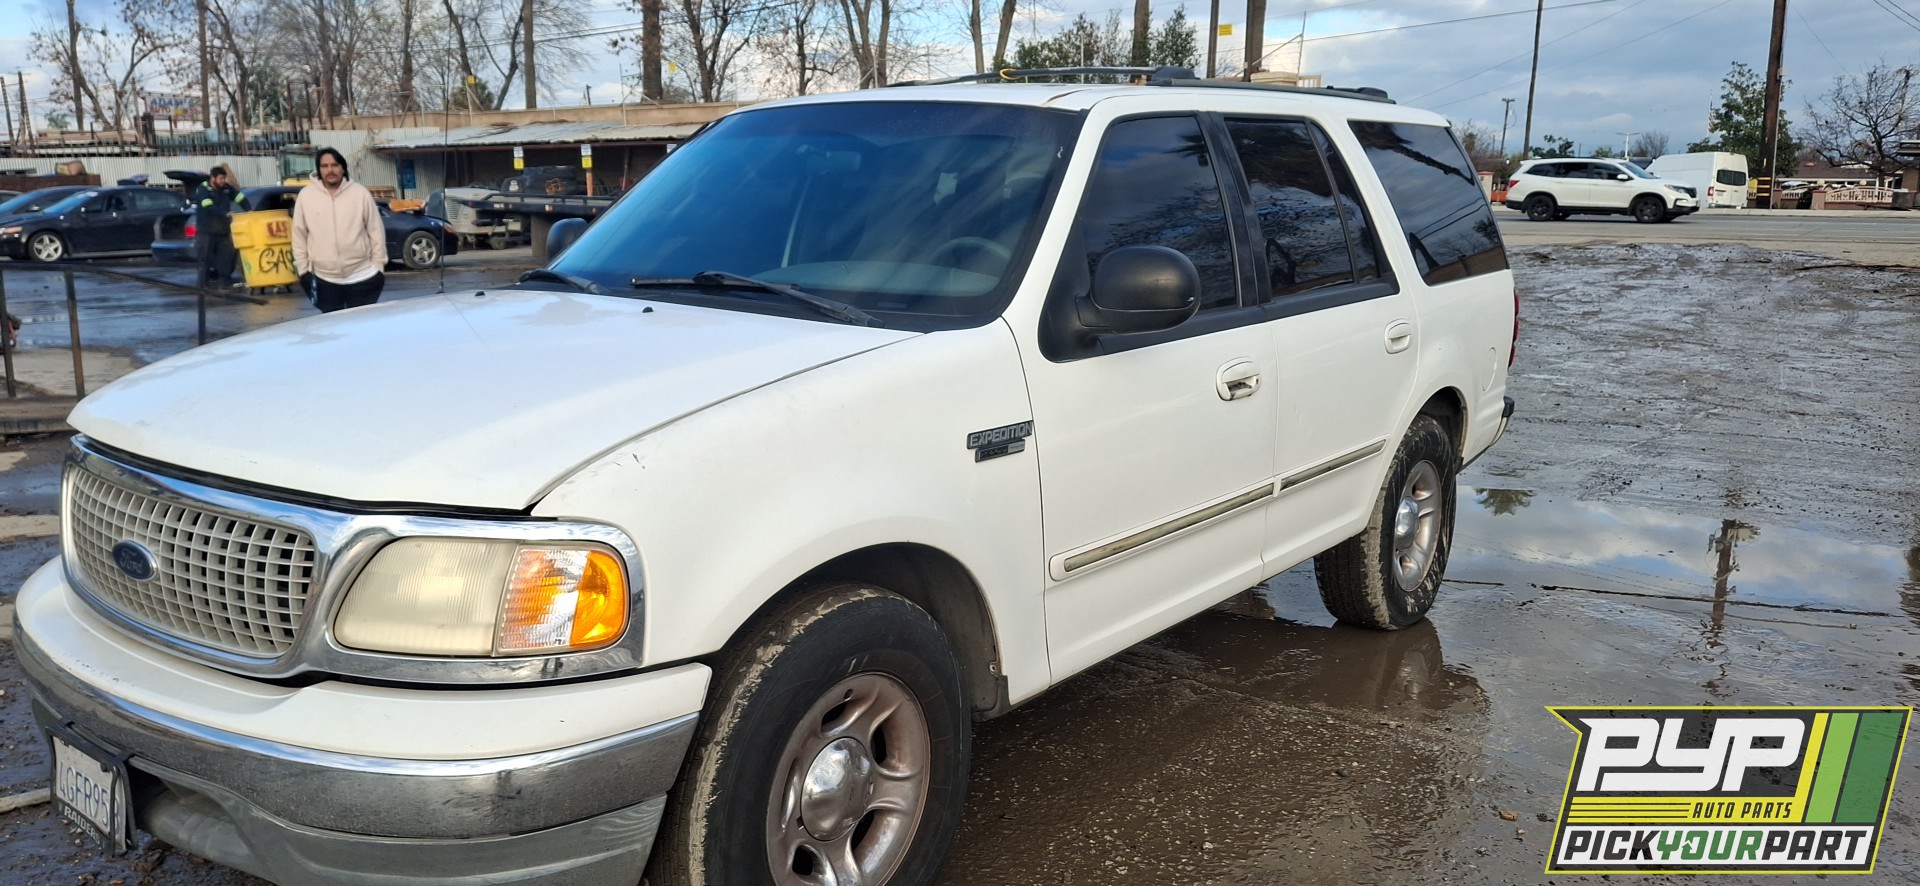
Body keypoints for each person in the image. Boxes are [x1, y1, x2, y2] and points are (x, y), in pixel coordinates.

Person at [292, 147, 387, 313]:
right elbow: (299, 235)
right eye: (325, 166)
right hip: (324, 279)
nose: (330, 170)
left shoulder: (360, 194)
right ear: (319, 169)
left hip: (362, 276)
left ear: (343, 168)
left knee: (361, 330)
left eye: (335, 165)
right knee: (333, 333)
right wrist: (303, 270)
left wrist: (378, 266)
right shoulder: (306, 196)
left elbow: (375, 231)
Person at [192, 165, 248, 288]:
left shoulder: (226, 188)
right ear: (213, 178)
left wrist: (249, 210)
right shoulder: (203, 189)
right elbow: (208, 206)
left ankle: (225, 283)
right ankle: (203, 286)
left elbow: (240, 197)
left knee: (226, 258)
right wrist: (225, 214)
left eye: (224, 178)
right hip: (206, 231)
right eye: (221, 179)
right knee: (204, 259)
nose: (223, 181)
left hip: (222, 230)